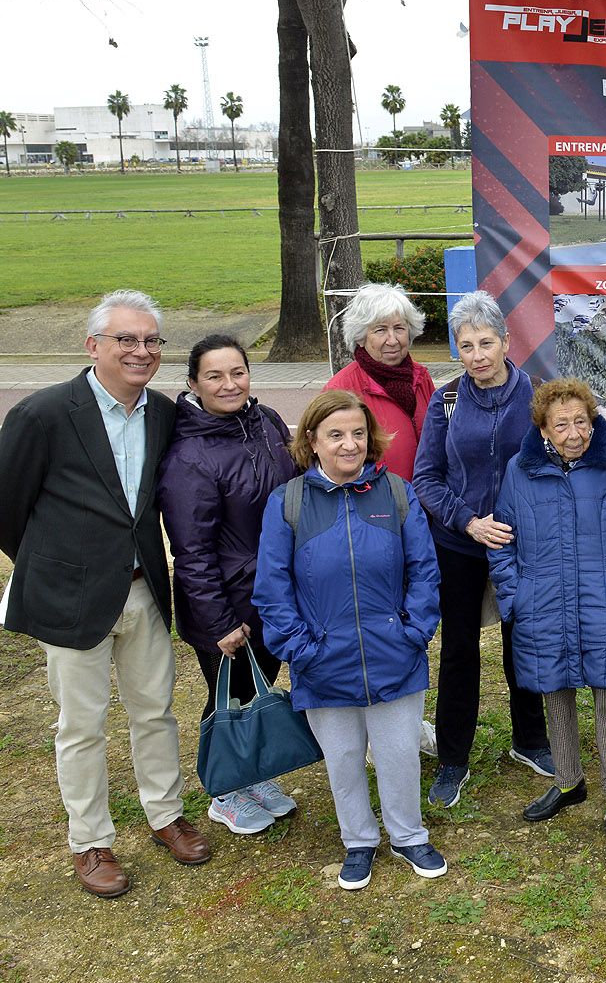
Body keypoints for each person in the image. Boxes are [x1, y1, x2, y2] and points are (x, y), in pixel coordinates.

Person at [0, 290, 211, 896]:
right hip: (70, 598)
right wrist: (53, 566)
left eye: (151, 340)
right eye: (127, 339)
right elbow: (8, 508)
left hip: (145, 589)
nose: (141, 351)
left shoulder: (164, 414)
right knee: (81, 725)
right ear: (93, 345)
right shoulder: (42, 414)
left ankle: (165, 817)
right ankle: (90, 841)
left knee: (154, 712)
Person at [253, 389, 446, 891]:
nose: (349, 444)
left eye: (358, 433)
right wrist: (302, 650)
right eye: (335, 435)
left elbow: (425, 571)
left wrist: (413, 633)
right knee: (341, 758)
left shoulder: (396, 493)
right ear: (312, 441)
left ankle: (408, 834)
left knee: (399, 752)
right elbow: (272, 588)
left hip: (395, 656)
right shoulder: (288, 502)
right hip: (321, 661)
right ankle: (358, 840)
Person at [412, 291, 551, 809]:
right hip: (460, 544)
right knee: (459, 651)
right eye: (466, 346)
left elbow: (551, 466)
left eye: (486, 343)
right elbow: (426, 476)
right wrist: (468, 522)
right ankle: (453, 759)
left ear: (506, 341)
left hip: (522, 546)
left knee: (526, 642)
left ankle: (531, 740)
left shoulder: (537, 396)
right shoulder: (446, 401)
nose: (477, 355)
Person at [159, 333, 300, 835]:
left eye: (236, 372)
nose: (228, 384)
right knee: (229, 696)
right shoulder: (189, 457)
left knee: (260, 687)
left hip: (273, 595)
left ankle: (251, 775)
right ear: (194, 384)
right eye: (214, 376)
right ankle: (224, 791)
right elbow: (192, 552)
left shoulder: (264, 422)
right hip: (227, 604)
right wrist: (221, 621)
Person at [489, 379, 606, 835]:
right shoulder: (520, 469)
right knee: (554, 689)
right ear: (542, 429)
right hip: (543, 601)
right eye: (562, 425)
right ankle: (568, 780)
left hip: (604, 597)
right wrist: (515, 595)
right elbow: (502, 539)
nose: (574, 433)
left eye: (582, 421)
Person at [325, 282, 434, 479]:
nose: (392, 340)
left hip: (427, 503)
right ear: (360, 337)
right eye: (380, 330)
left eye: (399, 328)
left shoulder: (421, 377)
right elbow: (331, 463)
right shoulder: (341, 389)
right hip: (376, 504)